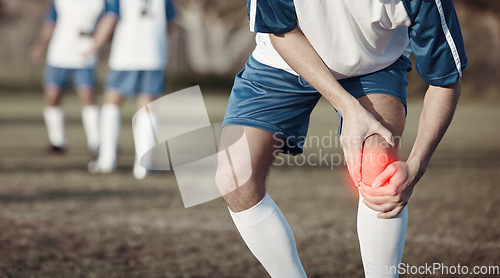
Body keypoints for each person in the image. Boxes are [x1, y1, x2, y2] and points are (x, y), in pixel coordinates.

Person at [216, 0, 467, 277]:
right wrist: (349, 108)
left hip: (373, 64)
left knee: (379, 171)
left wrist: (417, 164)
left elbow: (444, 80)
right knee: (234, 177)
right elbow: (281, 32)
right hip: (282, 60)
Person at [85, 0, 176, 179]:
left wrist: (93, 46)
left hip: (125, 54)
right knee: (148, 108)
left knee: (112, 102)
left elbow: (110, 18)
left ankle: (107, 160)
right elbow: (170, 22)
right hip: (154, 54)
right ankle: (143, 166)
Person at [30, 0, 104, 156]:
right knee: (52, 96)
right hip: (59, 55)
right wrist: (40, 46)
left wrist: (95, 39)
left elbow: (109, 23)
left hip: (85, 56)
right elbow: (50, 24)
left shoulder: (99, 2)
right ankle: (57, 141)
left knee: (88, 97)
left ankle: (96, 142)